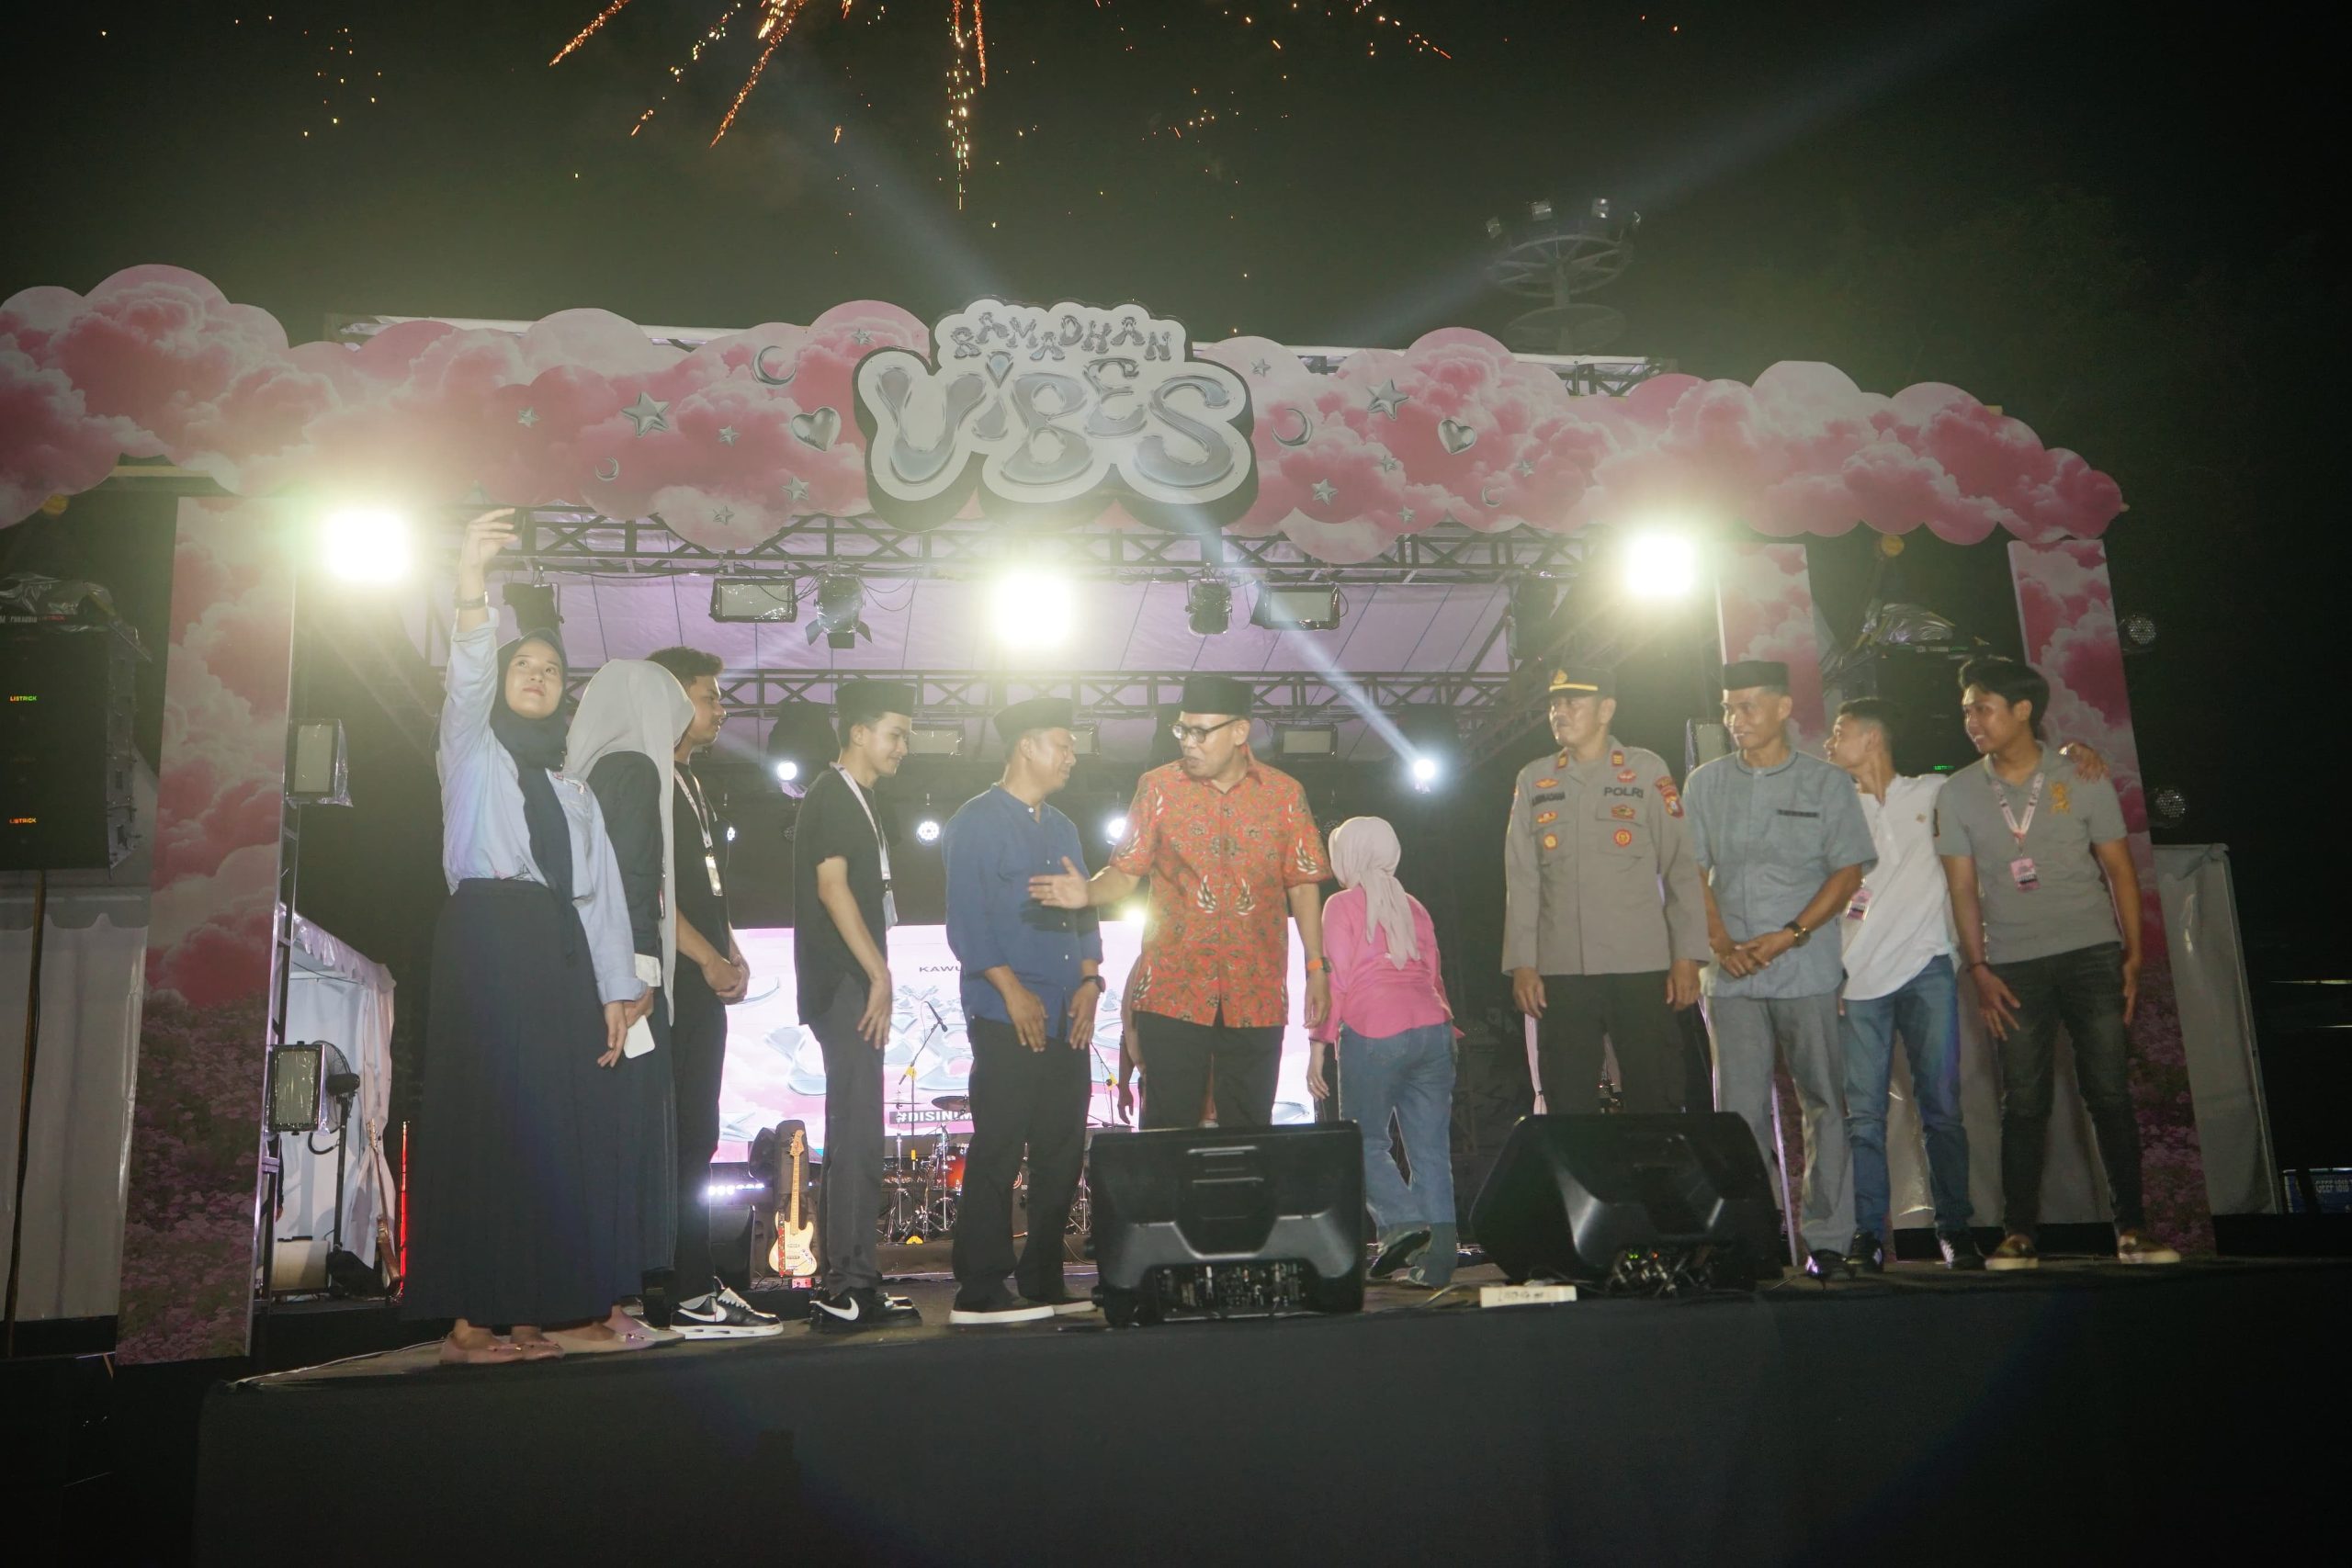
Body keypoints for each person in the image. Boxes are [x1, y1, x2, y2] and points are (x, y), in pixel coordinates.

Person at [404, 510, 652, 1364]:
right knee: (483, 1119)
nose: (538, 676)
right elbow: (468, 677)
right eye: (525, 665)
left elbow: (600, 897)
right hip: (484, 941)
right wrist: (472, 587)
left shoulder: (573, 789)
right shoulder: (471, 751)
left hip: (554, 953)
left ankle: (523, 1311)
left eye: (551, 670)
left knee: (545, 1128)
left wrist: (616, 991)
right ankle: (466, 1325)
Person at [1934, 657, 2180, 1269]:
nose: (1971, 720)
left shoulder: (2081, 773)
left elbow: (2119, 869)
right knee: (2023, 1102)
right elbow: (1961, 887)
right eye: (1966, 710)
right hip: (2011, 965)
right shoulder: (1958, 790)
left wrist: (2133, 954)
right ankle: (2018, 1234)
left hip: (2092, 954)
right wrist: (1979, 968)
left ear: (2023, 711)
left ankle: (2133, 1230)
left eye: (1982, 707)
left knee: (2109, 1093)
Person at [1031, 673, 1330, 1128]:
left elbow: (1303, 884)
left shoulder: (1284, 795)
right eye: (1182, 730)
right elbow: (1125, 871)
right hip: (1173, 991)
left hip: (1257, 992)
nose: (1188, 742)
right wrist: (1087, 891)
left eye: (1200, 732)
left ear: (1239, 731)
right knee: (1168, 1132)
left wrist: (1316, 968)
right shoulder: (1158, 788)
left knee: (1250, 1132)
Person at [1686, 660, 1876, 1280]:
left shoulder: (1826, 783)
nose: (1734, 719)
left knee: (1823, 1104)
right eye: (1728, 707)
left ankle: (1829, 1240)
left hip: (1806, 969)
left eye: (1747, 706)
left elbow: (1848, 872)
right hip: (1732, 975)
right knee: (1737, 1115)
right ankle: (1751, 1241)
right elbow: (1690, 872)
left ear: (1783, 708)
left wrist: (1790, 935)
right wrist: (1721, 942)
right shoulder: (1706, 783)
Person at [942, 697, 1104, 1325]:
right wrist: (1011, 990)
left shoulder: (1063, 826)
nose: (1072, 757)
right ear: (1025, 747)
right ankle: (979, 1286)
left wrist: (1090, 980)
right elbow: (967, 923)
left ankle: (1043, 1276)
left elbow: (1086, 909)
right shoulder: (975, 821)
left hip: (1068, 1012)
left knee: (1062, 1149)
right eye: (1062, 745)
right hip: (1004, 1012)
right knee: (1000, 1145)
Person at [637, 646, 777, 1335]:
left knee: (698, 1136)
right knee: (677, 1139)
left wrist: (732, 952)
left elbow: (704, 890)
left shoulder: (689, 779)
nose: (722, 709)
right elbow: (652, 892)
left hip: (699, 982)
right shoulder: (646, 778)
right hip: (668, 987)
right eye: (709, 696)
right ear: (669, 699)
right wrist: (705, 958)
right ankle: (679, 1288)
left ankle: (690, 1281)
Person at [1502, 666, 1708, 1115]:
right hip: (1562, 970)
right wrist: (1523, 964)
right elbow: (1522, 879)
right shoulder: (1534, 779)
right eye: (1555, 703)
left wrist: (1687, 956)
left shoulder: (1646, 770)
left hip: (1641, 966)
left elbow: (1679, 867)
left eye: (1573, 702)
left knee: (1656, 1094)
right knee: (1567, 1101)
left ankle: (1654, 1164)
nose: (1560, 712)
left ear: (1606, 709)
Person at [1825, 698, 1980, 1272]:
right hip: (1857, 977)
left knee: (1942, 1108)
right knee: (1863, 1118)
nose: (1829, 743)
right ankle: (1868, 1235)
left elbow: (2000, 774)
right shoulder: (1832, 807)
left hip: (1927, 967)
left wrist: (2070, 753)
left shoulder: (1932, 792)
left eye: (1839, 731)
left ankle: (1956, 1230)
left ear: (1872, 738)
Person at [796, 678, 925, 1331]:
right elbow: (831, 886)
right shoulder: (833, 794)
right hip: (845, 982)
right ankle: (847, 1286)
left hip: (854, 981)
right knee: (854, 1132)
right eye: (895, 734)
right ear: (858, 732)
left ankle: (855, 1281)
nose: (903, 746)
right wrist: (878, 973)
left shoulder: (861, 798)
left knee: (860, 1132)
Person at [1306, 817, 1460, 1288]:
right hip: (1434, 1029)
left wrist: (1318, 1045)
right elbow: (1434, 973)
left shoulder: (1340, 904)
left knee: (1363, 1141)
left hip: (1374, 1028)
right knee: (1431, 1153)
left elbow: (1335, 980)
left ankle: (1402, 1223)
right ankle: (1437, 1262)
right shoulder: (1414, 905)